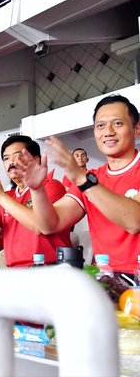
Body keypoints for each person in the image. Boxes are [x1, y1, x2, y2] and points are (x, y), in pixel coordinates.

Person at [21, 95, 140, 274]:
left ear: (136, 129)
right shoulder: (92, 178)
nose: (108, 132)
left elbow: (134, 221)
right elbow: (50, 224)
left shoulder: (87, 180)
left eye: (117, 124)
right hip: (107, 279)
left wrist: (83, 180)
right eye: (100, 125)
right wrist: (37, 190)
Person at [0, 135, 71, 267]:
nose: (11, 162)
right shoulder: (7, 196)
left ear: (36, 160)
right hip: (14, 271)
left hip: (48, 268)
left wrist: (0, 197)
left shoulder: (50, 186)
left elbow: (40, 226)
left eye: (17, 155)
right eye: (6, 158)